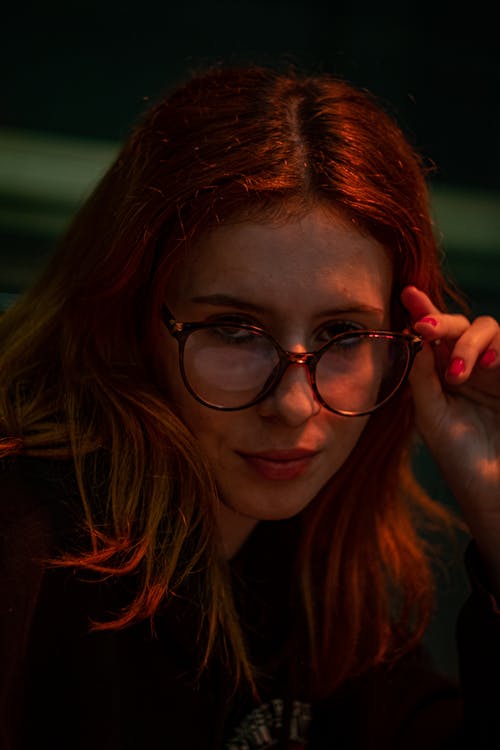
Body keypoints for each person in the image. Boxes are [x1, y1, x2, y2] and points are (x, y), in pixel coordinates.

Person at [0, 64, 499, 750]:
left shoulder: (311, 571)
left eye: (342, 334)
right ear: (129, 319)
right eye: (235, 329)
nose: (294, 405)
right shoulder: (22, 545)